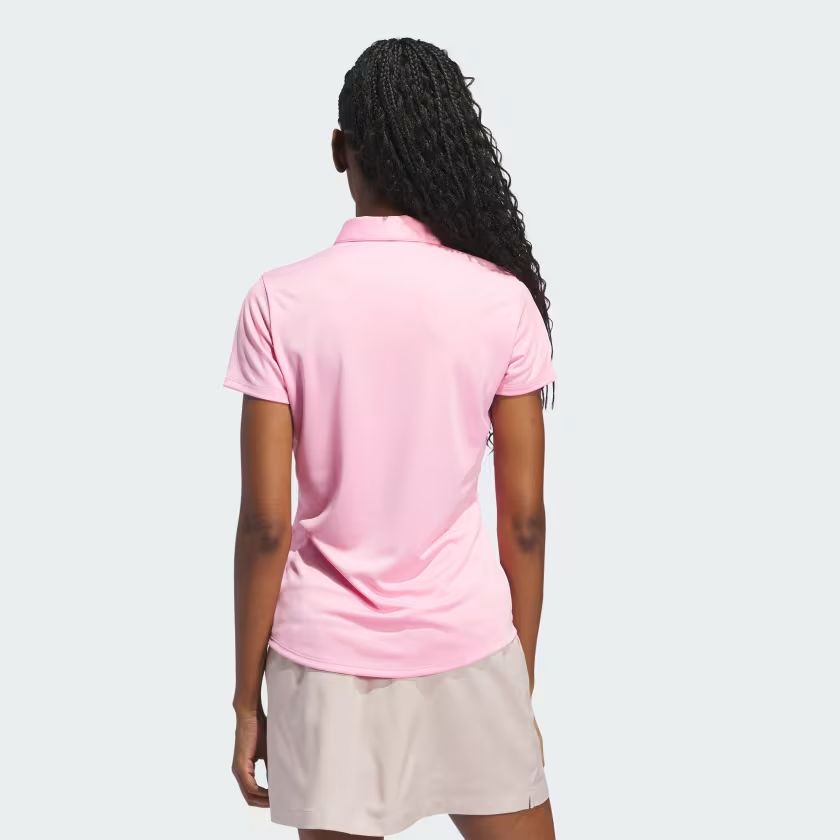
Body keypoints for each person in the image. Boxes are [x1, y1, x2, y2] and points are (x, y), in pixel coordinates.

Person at [223, 37, 557, 840]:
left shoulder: (279, 301)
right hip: (468, 646)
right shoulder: (503, 301)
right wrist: (516, 678)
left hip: (324, 662)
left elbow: (266, 524)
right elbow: (524, 522)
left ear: (341, 150)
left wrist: (245, 700)